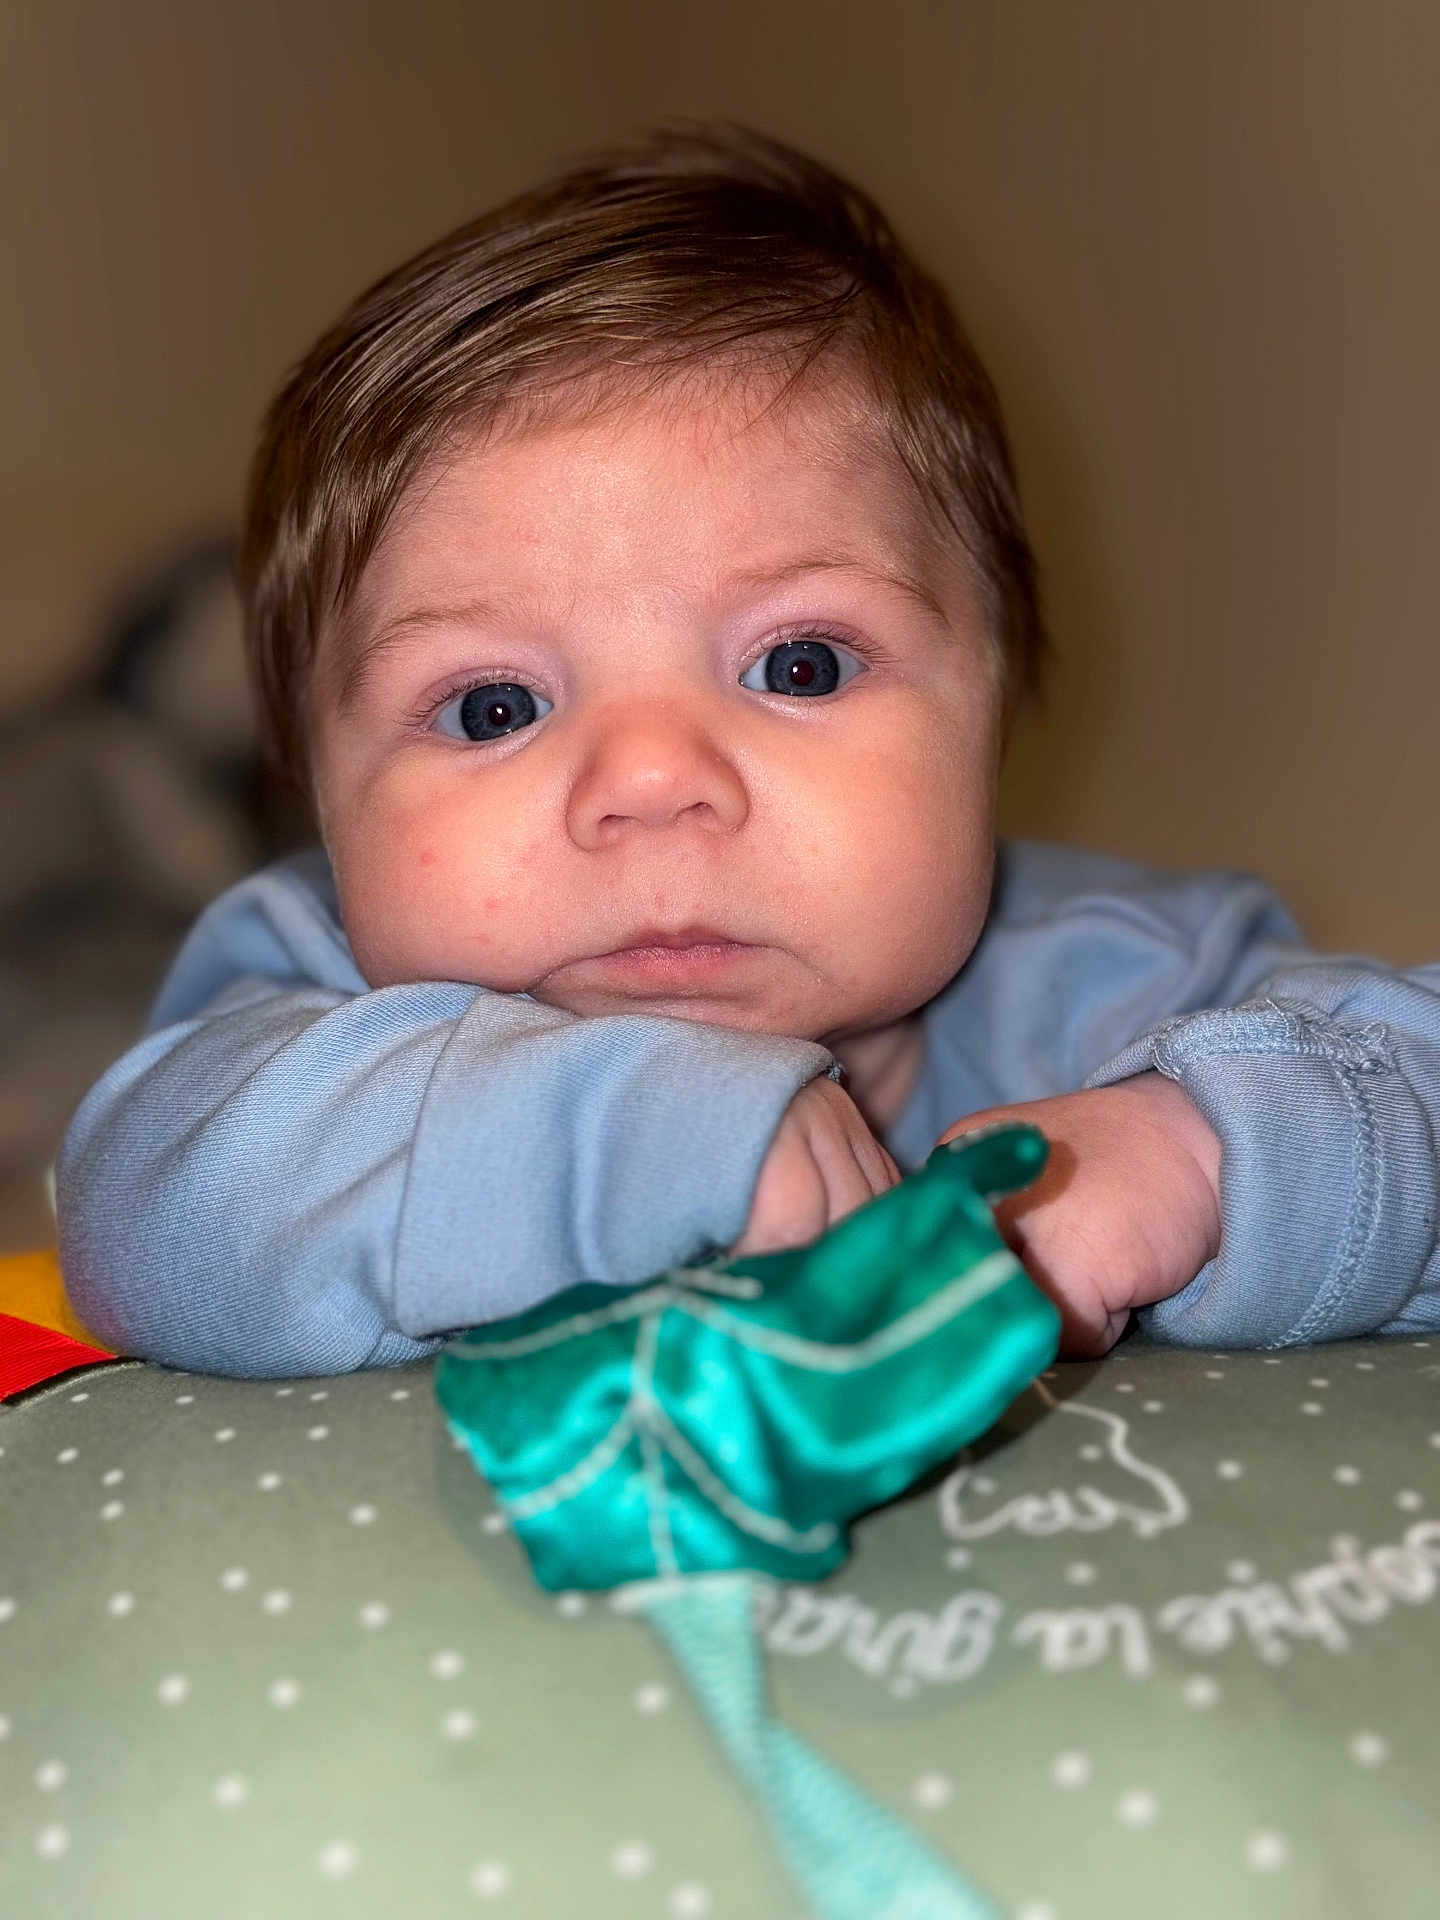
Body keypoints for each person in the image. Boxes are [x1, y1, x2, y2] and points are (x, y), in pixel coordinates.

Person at [55, 124, 1440, 1378]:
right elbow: (144, 1214)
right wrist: (634, 1137)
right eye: (493, 708)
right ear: (318, 795)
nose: (654, 781)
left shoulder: (1130, 986)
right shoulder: (315, 1008)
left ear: (991, 720)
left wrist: (1197, 1154)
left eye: (799, 666)